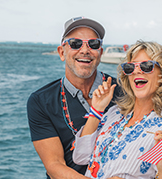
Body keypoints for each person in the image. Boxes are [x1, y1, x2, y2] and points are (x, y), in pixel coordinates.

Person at [72, 41, 162, 179]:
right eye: (130, 67)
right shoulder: (114, 114)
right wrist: (96, 110)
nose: (136, 71)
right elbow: (80, 157)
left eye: (146, 66)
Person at [27, 17, 121, 178]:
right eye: (76, 43)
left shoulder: (123, 90)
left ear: (100, 53)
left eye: (93, 44)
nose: (85, 50)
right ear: (62, 52)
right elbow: (54, 165)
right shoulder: (40, 101)